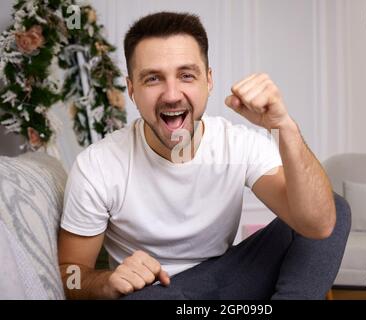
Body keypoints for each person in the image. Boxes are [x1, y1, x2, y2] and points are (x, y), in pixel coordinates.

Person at [57, 11, 351, 300]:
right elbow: (70, 274)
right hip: (157, 293)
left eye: (186, 75)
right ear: (132, 89)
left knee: (334, 208)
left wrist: (283, 127)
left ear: (208, 81)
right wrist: (107, 282)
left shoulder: (238, 144)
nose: (172, 94)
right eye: (153, 79)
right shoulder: (97, 166)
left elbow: (319, 224)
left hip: (231, 279)